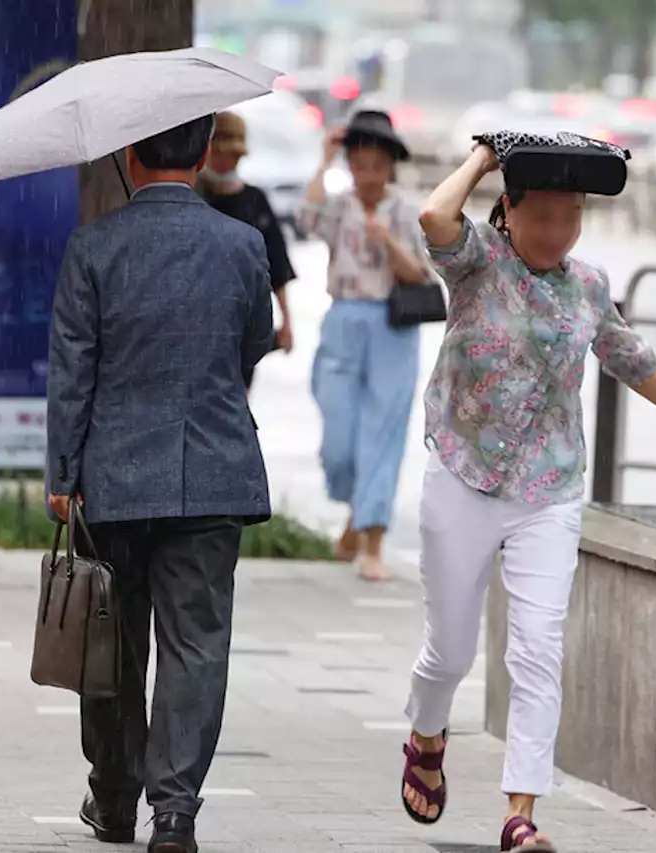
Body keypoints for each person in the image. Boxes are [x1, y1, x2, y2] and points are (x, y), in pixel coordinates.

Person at [401, 140, 656, 852]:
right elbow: (433, 214)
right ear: (510, 209)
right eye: (545, 218)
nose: (558, 233)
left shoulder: (588, 286)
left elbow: (635, 360)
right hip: (464, 473)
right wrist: (481, 158)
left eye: (572, 218)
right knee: (449, 653)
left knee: (538, 649)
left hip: (549, 488)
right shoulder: (476, 264)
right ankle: (425, 730)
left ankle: (521, 814)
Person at [46, 114, 274, 853]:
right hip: (213, 475)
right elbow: (253, 344)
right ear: (206, 152)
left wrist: (62, 473)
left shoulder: (94, 246)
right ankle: (174, 812)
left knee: (110, 641)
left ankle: (113, 798)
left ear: (128, 153)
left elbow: (72, 372)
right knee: (196, 645)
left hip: (114, 477)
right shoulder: (243, 245)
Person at [298, 109, 430, 582]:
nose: (369, 174)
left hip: (392, 325)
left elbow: (422, 275)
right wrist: (324, 157)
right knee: (338, 435)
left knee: (384, 430)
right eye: (360, 163)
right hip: (344, 318)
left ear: (390, 166)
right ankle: (356, 510)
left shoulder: (406, 212)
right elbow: (305, 218)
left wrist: (389, 242)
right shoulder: (338, 205)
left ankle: (372, 539)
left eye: (377, 164)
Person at [197, 110, 296, 392]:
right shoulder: (193, 198)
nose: (225, 161)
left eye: (233, 155)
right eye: (219, 153)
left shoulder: (255, 202)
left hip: (243, 321)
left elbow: (277, 265)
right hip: (197, 317)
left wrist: (287, 320)